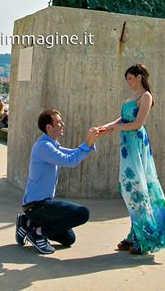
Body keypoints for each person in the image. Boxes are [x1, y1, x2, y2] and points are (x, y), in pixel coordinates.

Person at [99, 63, 165, 255]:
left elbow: (138, 124)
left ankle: (145, 236)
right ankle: (135, 233)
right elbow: (122, 119)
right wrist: (106, 127)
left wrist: (115, 128)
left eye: (130, 78)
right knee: (129, 188)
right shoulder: (129, 99)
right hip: (126, 147)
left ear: (139, 77)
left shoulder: (146, 96)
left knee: (139, 188)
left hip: (136, 145)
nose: (129, 82)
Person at [16, 108, 99, 254]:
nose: (63, 124)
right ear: (49, 127)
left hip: (40, 207)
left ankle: (27, 223)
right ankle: (38, 233)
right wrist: (87, 143)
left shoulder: (52, 145)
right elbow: (70, 161)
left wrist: (90, 143)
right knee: (82, 213)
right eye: (59, 122)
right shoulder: (44, 147)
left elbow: (71, 153)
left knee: (69, 239)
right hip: (37, 206)